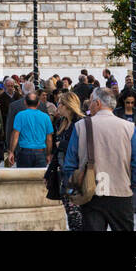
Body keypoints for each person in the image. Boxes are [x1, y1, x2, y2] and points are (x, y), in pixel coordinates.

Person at [62, 88, 136, 231]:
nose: (88, 106)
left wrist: (72, 186)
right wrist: (134, 186)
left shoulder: (80, 126)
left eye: (90, 102)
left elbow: (70, 164)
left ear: (97, 103)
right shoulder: (129, 127)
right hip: (121, 192)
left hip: (91, 193)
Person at [53, 92, 86, 230]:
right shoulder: (64, 122)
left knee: (76, 215)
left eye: (60, 103)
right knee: (70, 211)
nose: (57, 106)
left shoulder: (80, 123)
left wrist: (62, 145)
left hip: (75, 173)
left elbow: (81, 147)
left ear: (67, 106)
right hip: (64, 171)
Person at [114, 90, 136, 213]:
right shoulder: (117, 112)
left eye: (132, 103)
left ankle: (135, 205)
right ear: (123, 101)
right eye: (127, 102)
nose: (129, 105)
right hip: (121, 147)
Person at [8, 91, 53, 169]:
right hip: (40, 152)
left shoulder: (20, 115)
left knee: (24, 179)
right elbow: (49, 138)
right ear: (38, 103)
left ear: (25, 102)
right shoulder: (45, 117)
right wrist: (48, 154)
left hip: (24, 152)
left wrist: (11, 152)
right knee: (40, 180)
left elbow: (15, 135)